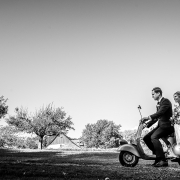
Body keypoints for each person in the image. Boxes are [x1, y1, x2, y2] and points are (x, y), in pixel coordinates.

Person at [141, 87, 174, 167]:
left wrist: (148, 117)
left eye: (153, 94)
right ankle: (158, 156)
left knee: (154, 137)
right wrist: (146, 124)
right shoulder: (158, 104)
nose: (152, 96)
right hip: (161, 125)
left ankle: (162, 160)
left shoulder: (165, 101)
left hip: (167, 126)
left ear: (158, 93)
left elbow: (160, 112)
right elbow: (157, 118)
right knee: (146, 138)